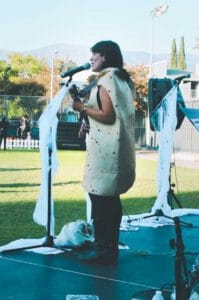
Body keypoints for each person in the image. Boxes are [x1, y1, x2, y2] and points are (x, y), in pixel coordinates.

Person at [70, 40, 136, 265]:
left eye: (95, 55)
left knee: (99, 199)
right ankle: (110, 248)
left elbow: (108, 115)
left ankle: (102, 250)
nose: (91, 59)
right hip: (119, 148)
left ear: (105, 57)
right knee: (110, 200)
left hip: (106, 150)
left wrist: (82, 108)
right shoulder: (122, 79)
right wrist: (87, 120)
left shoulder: (106, 80)